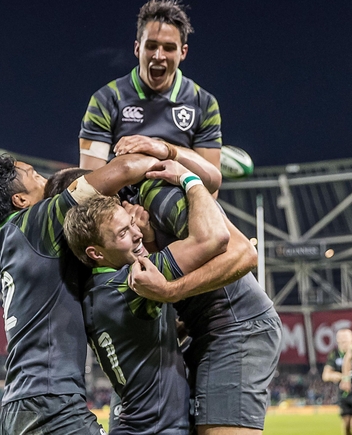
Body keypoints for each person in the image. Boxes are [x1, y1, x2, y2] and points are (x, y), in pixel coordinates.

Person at [0, 152, 173, 435]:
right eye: (35, 175)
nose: (46, 178)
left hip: (18, 404)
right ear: (20, 201)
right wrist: (169, 156)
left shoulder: (7, 242)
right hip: (51, 403)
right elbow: (126, 168)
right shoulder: (35, 222)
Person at [64, 160, 231, 435]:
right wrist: (190, 180)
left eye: (131, 224)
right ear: (96, 253)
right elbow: (214, 238)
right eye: (123, 233)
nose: (137, 233)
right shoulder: (132, 281)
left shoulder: (97, 290)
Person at [128, 177, 282, 435]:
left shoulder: (163, 195)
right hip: (205, 331)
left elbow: (244, 253)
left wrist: (170, 291)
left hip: (237, 325)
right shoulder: (145, 208)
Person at [79, 0, 222, 173]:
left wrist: (162, 148)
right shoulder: (105, 100)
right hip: (119, 198)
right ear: (137, 48)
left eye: (169, 48)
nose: (158, 56)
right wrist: (118, 202)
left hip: (183, 196)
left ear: (183, 52)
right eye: (151, 46)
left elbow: (211, 186)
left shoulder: (204, 103)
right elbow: (89, 179)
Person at [323, 328, 352, 435]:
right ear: (337, 340)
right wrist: (342, 377)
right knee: (347, 426)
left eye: (346, 339)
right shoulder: (334, 355)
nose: (344, 342)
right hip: (344, 393)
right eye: (341, 339)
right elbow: (326, 375)